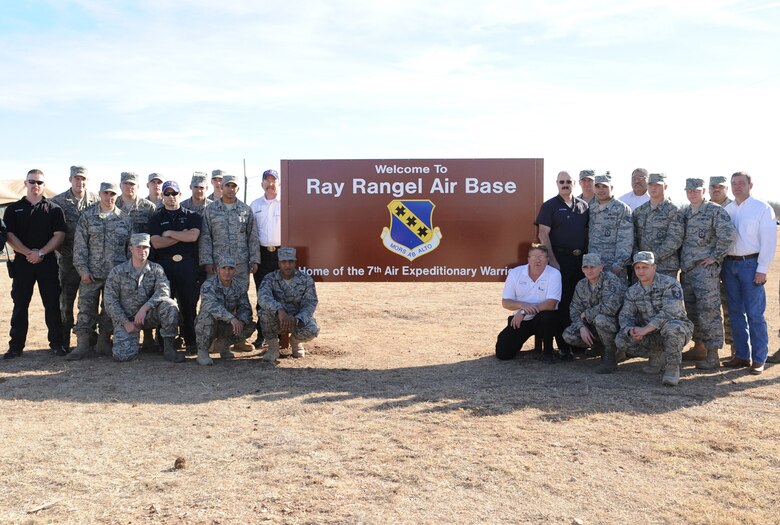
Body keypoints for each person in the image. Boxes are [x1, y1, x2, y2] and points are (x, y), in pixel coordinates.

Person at [3, 169, 67, 359]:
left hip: (47, 262)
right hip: (22, 263)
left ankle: (57, 344)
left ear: (44, 185)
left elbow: (60, 235)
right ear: (25, 183)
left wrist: (41, 252)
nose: (35, 185)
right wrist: (27, 253)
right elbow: (9, 235)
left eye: (39, 182)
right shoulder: (14, 209)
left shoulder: (54, 209)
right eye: (32, 182)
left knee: (52, 305)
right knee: (20, 305)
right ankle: (15, 347)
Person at [67, 182, 132, 360]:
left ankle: (103, 342)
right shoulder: (88, 217)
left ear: (116, 196)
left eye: (112, 194)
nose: (109, 197)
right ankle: (82, 345)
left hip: (114, 275)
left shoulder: (125, 219)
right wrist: (83, 271)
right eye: (106, 193)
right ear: (99, 193)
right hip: (91, 274)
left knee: (110, 310)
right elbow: (80, 247)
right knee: (86, 309)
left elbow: (129, 250)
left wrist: (124, 274)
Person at [722, 172, 778, 374]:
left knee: (755, 314)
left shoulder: (762, 208)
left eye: (741, 183)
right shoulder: (727, 210)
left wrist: (762, 268)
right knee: (735, 312)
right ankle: (742, 356)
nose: (737, 186)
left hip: (751, 265)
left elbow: (769, 241)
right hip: (730, 265)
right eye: (734, 183)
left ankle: (759, 359)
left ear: (750, 185)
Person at [679, 178, 736, 370]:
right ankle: (699, 348)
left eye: (696, 190)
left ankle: (713, 354)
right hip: (687, 271)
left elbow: (728, 234)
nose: (692, 193)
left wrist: (716, 257)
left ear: (703, 191)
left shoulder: (714, 211)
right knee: (692, 311)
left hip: (705, 272)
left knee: (709, 312)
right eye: (689, 190)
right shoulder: (685, 212)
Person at [200, 174, 260, 352]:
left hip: (240, 265)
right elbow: (205, 237)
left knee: (239, 299)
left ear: (238, 189)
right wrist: (207, 261)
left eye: (234, 186)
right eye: (227, 185)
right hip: (218, 264)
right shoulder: (210, 210)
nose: (230, 189)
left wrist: (254, 259)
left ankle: (237, 339)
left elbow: (252, 236)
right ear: (221, 187)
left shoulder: (245, 210)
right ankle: (211, 338)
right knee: (215, 299)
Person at [103, 233, 184, 362]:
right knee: (123, 356)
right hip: (127, 319)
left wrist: (145, 308)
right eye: (138, 247)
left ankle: (169, 348)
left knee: (170, 305)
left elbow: (163, 291)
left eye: (145, 247)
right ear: (131, 249)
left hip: (148, 316)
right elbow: (110, 301)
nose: (142, 251)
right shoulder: (117, 271)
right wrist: (125, 322)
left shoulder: (156, 269)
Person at [616, 252, 693, 386]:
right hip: (651, 334)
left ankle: (672, 368)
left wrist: (645, 329)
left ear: (654, 267)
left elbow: (670, 312)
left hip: (676, 328)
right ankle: (657, 355)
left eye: (645, 267)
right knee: (621, 340)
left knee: (673, 328)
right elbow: (625, 316)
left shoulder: (670, 284)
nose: (641, 271)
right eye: (637, 268)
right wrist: (631, 331)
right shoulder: (632, 291)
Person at [535, 170, 589, 360]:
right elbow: (543, 235)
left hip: (581, 262)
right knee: (562, 302)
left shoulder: (583, 206)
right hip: (560, 260)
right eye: (561, 182)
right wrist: (554, 262)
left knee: (580, 302)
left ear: (574, 183)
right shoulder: (550, 206)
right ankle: (563, 346)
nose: (565, 184)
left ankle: (578, 344)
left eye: (568, 181)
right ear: (557, 184)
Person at [149, 181, 202, 354]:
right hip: (164, 266)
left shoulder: (192, 216)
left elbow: (193, 236)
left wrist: (170, 234)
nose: (171, 197)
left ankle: (191, 340)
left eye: (174, 193)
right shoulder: (156, 218)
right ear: (162, 196)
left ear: (180, 194)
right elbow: (156, 243)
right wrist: (182, 235)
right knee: (165, 304)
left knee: (188, 304)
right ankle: (166, 342)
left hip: (187, 265)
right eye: (167, 193)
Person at [51, 165, 99, 349]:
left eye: (83, 179)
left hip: (91, 261)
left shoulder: (96, 201)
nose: (80, 182)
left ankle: (90, 338)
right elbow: (51, 230)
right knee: (66, 301)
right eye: (77, 178)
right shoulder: (58, 202)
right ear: (70, 179)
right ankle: (63, 339)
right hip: (67, 261)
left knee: (91, 301)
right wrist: (59, 246)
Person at [494, 243, 562, 363]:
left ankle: (548, 352)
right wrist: (521, 306)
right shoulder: (515, 273)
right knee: (503, 353)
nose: (537, 260)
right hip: (521, 320)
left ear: (547, 260)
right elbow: (506, 302)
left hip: (543, 319)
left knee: (547, 316)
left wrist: (524, 311)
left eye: (541, 257)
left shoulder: (554, 274)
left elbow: (551, 304)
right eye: (534, 257)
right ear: (528, 259)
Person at [563, 253, 626, 373]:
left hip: (614, 325)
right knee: (568, 335)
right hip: (593, 325)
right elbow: (574, 309)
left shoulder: (611, 280)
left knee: (600, 319)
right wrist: (581, 327)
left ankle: (610, 356)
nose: (589, 270)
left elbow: (611, 308)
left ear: (601, 267)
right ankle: (600, 347)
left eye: (593, 267)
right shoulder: (581, 284)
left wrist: (587, 314)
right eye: (585, 267)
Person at [117, 171, 158, 351]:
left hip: (143, 262)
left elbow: (154, 236)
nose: (129, 187)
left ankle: (148, 337)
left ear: (138, 187)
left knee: (145, 295)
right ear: (120, 185)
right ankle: (108, 336)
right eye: (126, 183)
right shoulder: (112, 203)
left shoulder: (148, 207)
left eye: (132, 184)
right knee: (118, 299)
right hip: (118, 262)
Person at [258, 247, 320, 363]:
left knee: (313, 328)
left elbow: (310, 303)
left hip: (296, 320)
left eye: (290, 262)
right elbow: (263, 298)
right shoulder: (269, 278)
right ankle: (273, 348)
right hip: (278, 320)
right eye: (284, 262)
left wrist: (297, 319)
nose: (287, 265)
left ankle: (295, 342)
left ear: (295, 262)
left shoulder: (306, 280)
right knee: (264, 314)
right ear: (279, 263)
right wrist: (279, 310)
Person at [195, 257, 256, 365]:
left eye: (230, 268)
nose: (227, 272)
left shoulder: (239, 286)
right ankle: (203, 352)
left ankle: (223, 346)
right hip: (210, 322)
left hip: (226, 323)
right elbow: (210, 305)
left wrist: (241, 321)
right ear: (218, 269)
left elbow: (245, 307)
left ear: (235, 270)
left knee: (249, 325)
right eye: (224, 268)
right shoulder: (209, 285)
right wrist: (231, 318)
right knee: (206, 317)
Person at [250, 168, 282, 348]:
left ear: (279, 183)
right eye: (267, 180)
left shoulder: (287, 203)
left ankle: (281, 336)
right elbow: (251, 234)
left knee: (281, 294)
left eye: (273, 180)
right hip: (261, 254)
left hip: (281, 254)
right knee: (262, 295)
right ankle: (263, 334)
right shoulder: (255, 205)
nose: (270, 184)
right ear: (262, 183)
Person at [632, 173, 683, 278]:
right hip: (641, 267)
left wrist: (650, 258)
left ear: (665, 187)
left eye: (658, 185)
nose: (653, 188)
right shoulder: (639, 211)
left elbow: (675, 239)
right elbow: (633, 237)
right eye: (650, 184)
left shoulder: (674, 211)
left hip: (665, 267)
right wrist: (639, 257)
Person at [587, 173, 633, 282]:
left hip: (614, 267)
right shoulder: (591, 208)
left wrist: (618, 265)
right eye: (597, 186)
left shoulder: (622, 208)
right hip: (593, 266)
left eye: (605, 186)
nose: (601, 190)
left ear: (611, 188)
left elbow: (626, 240)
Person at [709, 175, 734, 354]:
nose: (716, 189)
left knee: (730, 307)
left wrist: (717, 258)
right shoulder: (703, 207)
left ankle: (735, 347)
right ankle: (704, 347)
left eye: (720, 186)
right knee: (707, 309)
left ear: (726, 189)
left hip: (728, 265)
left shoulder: (734, 208)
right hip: (706, 268)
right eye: (713, 186)